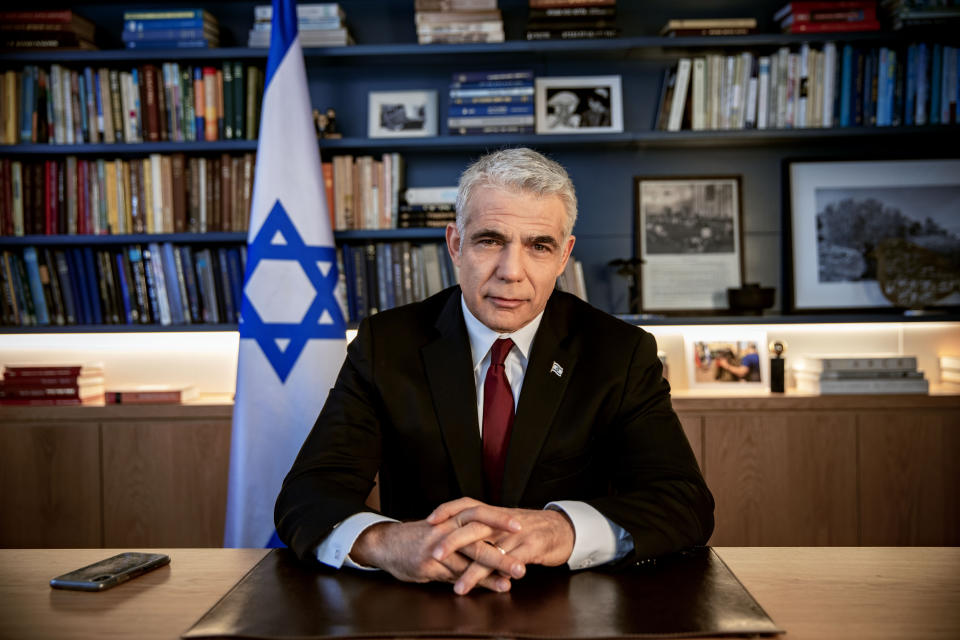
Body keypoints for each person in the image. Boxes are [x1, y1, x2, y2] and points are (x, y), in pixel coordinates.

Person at [275, 148, 714, 596]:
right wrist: (386, 543)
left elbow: (683, 502)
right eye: (490, 240)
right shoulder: (385, 345)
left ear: (564, 256)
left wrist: (562, 529)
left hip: (570, 603)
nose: (511, 272)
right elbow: (309, 493)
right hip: (422, 603)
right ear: (455, 245)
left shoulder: (619, 352)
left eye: (538, 246)